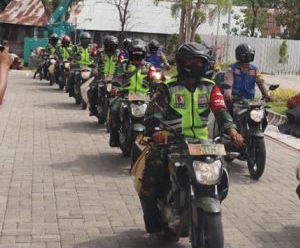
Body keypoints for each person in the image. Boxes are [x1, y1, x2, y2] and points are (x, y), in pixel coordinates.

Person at [140, 43, 244, 233]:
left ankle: (207, 202)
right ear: (181, 63)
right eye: (189, 61)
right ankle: (152, 217)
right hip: (173, 142)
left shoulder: (211, 88)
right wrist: (156, 130)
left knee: (220, 173)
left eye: (198, 61)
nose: (194, 65)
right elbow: (155, 113)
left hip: (203, 144)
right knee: (153, 169)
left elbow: (221, 111)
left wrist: (232, 130)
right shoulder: (168, 87)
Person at [108, 39, 154, 147]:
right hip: (125, 95)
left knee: (155, 117)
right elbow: (116, 78)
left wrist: (158, 86)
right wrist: (115, 88)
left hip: (145, 97)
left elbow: (156, 81)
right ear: (130, 53)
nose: (137, 56)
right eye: (134, 54)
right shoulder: (123, 65)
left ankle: (152, 141)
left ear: (143, 54)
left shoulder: (149, 66)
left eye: (139, 53)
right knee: (114, 109)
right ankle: (114, 135)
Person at [88, 36, 121, 116]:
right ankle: (92, 108)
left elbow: (122, 64)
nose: (111, 47)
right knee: (92, 89)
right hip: (101, 76)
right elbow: (95, 61)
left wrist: (122, 75)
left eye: (113, 45)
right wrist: (95, 69)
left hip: (114, 77)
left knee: (121, 92)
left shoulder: (119, 53)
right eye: (109, 45)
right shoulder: (100, 52)